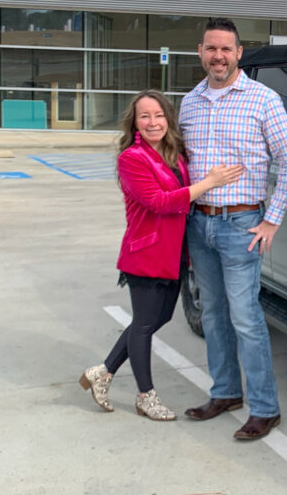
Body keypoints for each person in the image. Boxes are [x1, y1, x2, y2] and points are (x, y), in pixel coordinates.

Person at [80, 90, 242, 420]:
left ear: (168, 119)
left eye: (158, 115)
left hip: (174, 253)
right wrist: (210, 182)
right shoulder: (132, 158)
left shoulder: (173, 154)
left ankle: (103, 373)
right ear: (134, 123)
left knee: (159, 318)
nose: (153, 122)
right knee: (143, 325)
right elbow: (160, 201)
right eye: (145, 116)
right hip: (147, 252)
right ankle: (145, 396)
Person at [179, 18, 287, 441]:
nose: (218, 56)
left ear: (239, 53)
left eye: (226, 49)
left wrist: (273, 218)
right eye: (211, 48)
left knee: (246, 318)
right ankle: (226, 393)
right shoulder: (189, 102)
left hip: (242, 224)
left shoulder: (263, 100)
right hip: (200, 224)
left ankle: (265, 408)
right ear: (201, 51)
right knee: (213, 315)